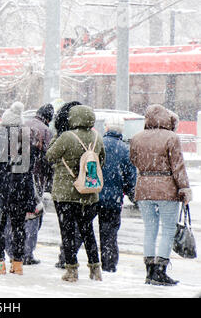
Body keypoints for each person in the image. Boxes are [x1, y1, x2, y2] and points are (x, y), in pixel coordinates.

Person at [130, 104, 191, 286]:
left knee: (150, 229)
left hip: (143, 187)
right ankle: (160, 271)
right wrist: (184, 188)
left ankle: (149, 271)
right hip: (166, 188)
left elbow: (134, 160)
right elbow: (178, 166)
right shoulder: (171, 137)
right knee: (168, 229)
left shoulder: (137, 137)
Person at [46, 104, 105, 282]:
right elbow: (101, 161)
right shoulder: (97, 137)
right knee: (88, 232)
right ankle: (95, 269)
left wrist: (57, 136)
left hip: (66, 193)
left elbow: (50, 156)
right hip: (89, 193)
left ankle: (71, 270)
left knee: (68, 232)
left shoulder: (66, 137)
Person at [0, 101, 37, 275]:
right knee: (18, 226)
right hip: (22, 185)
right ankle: (17, 263)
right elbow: (32, 164)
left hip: (2, 185)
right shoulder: (27, 136)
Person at [3, 103, 54, 265]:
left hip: (15, 176)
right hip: (35, 179)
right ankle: (27, 252)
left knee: (14, 214)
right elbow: (48, 158)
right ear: (49, 118)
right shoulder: (46, 131)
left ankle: (12, 249)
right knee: (33, 214)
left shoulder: (24, 125)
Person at [93, 115, 136, 272]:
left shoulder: (98, 144)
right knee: (109, 234)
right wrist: (132, 194)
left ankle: (67, 258)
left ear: (106, 128)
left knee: (82, 229)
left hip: (93, 194)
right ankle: (109, 265)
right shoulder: (125, 149)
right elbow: (131, 177)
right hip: (113, 199)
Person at [52, 101, 84, 269]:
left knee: (66, 225)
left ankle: (65, 256)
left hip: (62, 188)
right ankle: (69, 257)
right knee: (80, 226)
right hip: (82, 186)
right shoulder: (86, 136)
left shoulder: (61, 137)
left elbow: (50, 157)